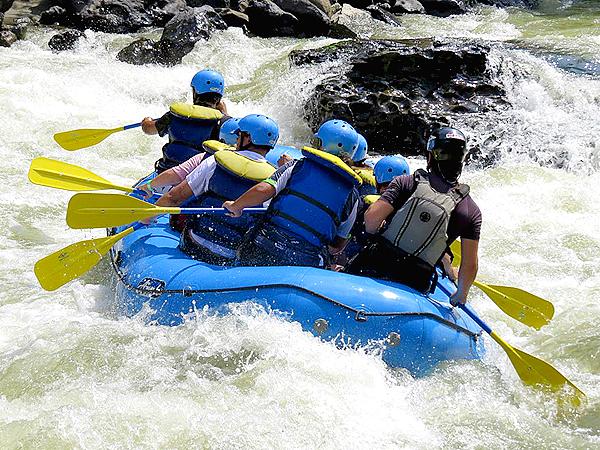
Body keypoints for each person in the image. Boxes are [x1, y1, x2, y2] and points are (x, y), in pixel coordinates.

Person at [346, 127, 481, 306]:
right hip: (415, 283)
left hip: (373, 266)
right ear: (461, 160)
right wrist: (461, 294)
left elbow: (371, 219)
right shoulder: (470, 210)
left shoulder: (406, 182)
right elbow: (470, 264)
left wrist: (374, 235)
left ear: (431, 156)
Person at [223, 119, 362, 268]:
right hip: (306, 261)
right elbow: (337, 245)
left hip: (267, 243)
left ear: (321, 145)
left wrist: (237, 206)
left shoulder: (297, 166)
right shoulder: (353, 196)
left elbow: (264, 189)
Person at [145, 114, 279, 265]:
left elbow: (173, 198)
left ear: (248, 138)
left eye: (239, 135)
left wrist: (146, 218)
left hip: (194, 243)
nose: (236, 140)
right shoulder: (275, 180)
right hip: (230, 255)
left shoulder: (215, 161)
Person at [141, 69, 230, 173]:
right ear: (219, 98)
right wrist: (225, 114)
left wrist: (146, 121)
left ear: (195, 92)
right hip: (197, 179)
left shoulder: (175, 115)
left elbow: (149, 129)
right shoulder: (223, 123)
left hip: (167, 171)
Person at [336, 155, 411, 266]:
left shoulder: (365, 203)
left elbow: (345, 233)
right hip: (395, 262)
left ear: (378, 179)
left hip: (359, 258)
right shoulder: (409, 207)